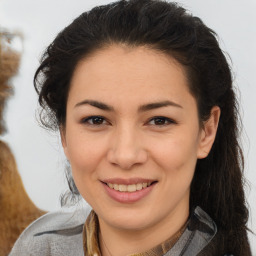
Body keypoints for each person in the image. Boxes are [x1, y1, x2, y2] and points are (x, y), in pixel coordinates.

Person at [9, 0, 252, 255]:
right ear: (64, 133)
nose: (125, 156)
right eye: (96, 120)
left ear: (207, 131)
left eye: (160, 120)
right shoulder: (39, 246)